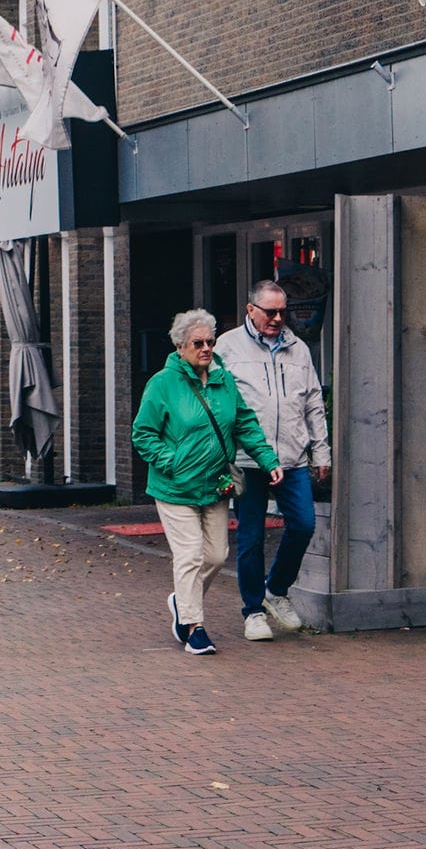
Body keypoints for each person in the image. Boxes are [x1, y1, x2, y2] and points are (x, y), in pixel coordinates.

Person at [129, 306, 279, 657]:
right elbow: (143, 434)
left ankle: (182, 601)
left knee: (215, 555)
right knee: (190, 555)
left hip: (215, 484)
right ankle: (193, 627)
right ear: (180, 347)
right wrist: (172, 462)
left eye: (210, 341)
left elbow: (244, 423)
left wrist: (268, 460)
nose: (206, 348)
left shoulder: (224, 380)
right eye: (198, 343)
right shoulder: (163, 384)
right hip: (175, 487)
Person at [216, 280, 331, 641]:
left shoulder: (298, 348)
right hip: (248, 459)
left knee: (303, 524)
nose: (279, 318)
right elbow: (215, 404)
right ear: (251, 310)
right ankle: (252, 612)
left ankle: (275, 589)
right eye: (271, 311)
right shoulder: (227, 347)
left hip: (292, 456)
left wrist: (321, 450)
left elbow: (313, 401)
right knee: (250, 537)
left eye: (283, 311)